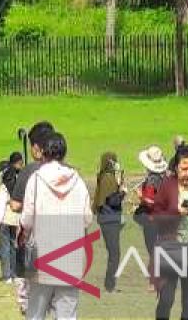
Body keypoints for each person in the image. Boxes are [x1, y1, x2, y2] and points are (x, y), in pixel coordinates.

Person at [19, 132, 94, 320]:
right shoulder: (78, 181)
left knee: (35, 311)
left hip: (42, 255)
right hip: (71, 256)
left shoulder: (36, 179)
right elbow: (87, 219)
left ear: (43, 152)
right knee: (68, 315)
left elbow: (27, 220)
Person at [153, 144, 188, 320]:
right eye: (184, 168)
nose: (187, 173)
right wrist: (175, 212)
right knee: (166, 300)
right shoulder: (167, 186)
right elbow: (155, 217)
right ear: (176, 168)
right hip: (169, 251)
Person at [136, 145, 169, 290]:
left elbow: (150, 201)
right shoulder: (165, 178)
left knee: (152, 250)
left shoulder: (151, 180)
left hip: (152, 219)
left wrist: (140, 196)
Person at [92, 151, 126, 293]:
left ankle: (110, 283)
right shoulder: (108, 179)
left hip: (107, 219)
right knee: (114, 254)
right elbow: (113, 201)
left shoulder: (105, 177)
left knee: (113, 253)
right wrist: (122, 191)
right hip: (110, 219)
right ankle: (109, 284)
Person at [0, 156, 23, 283]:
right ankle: (14, 273)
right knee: (13, 246)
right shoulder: (17, 183)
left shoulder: (4, 186)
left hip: (4, 219)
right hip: (15, 218)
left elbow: (1, 204)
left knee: (4, 248)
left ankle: (7, 275)